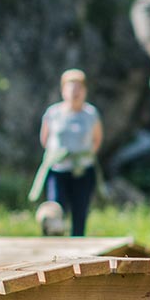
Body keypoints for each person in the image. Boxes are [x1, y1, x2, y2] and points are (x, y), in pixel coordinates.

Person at [39, 69, 104, 236]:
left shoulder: (91, 114)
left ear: (84, 91)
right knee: (55, 211)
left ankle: (77, 256)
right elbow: (44, 139)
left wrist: (82, 157)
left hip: (83, 171)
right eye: (71, 89)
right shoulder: (53, 113)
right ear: (63, 91)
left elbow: (97, 139)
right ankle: (53, 252)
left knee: (79, 215)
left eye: (78, 89)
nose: (75, 93)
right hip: (58, 170)